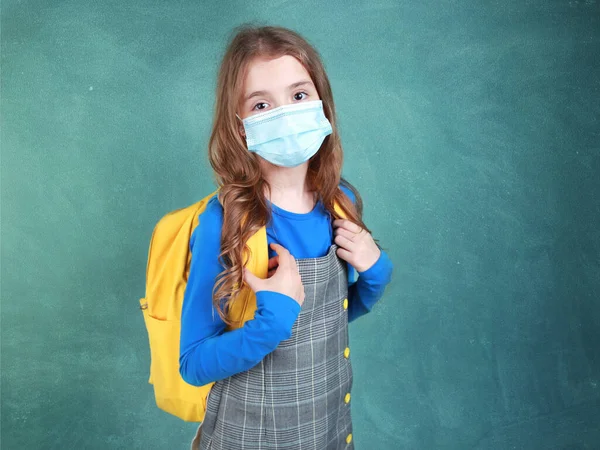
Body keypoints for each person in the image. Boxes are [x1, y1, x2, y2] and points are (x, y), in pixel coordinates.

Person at [179, 24, 394, 450]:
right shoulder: (223, 223)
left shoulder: (341, 200)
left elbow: (332, 317)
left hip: (327, 429)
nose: (286, 113)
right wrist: (271, 321)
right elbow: (193, 362)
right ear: (240, 127)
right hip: (248, 437)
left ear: (321, 104)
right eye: (261, 104)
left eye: (298, 96)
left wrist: (376, 271)